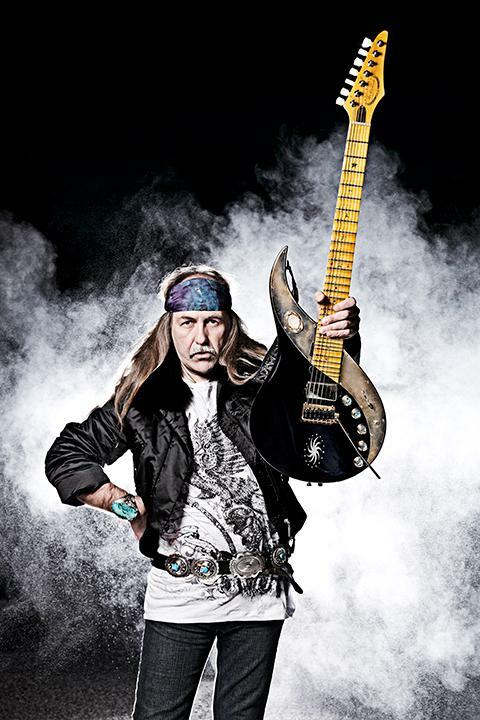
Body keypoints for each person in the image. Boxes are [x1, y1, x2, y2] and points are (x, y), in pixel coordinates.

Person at [44, 264, 361, 720]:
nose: (201, 338)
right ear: (169, 328)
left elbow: (325, 407)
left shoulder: (265, 388)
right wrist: (122, 503)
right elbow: (68, 455)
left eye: (212, 321)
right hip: (180, 594)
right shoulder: (143, 401)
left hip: (259, 594)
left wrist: (341, 341)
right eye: (187, 323)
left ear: (229, 325)